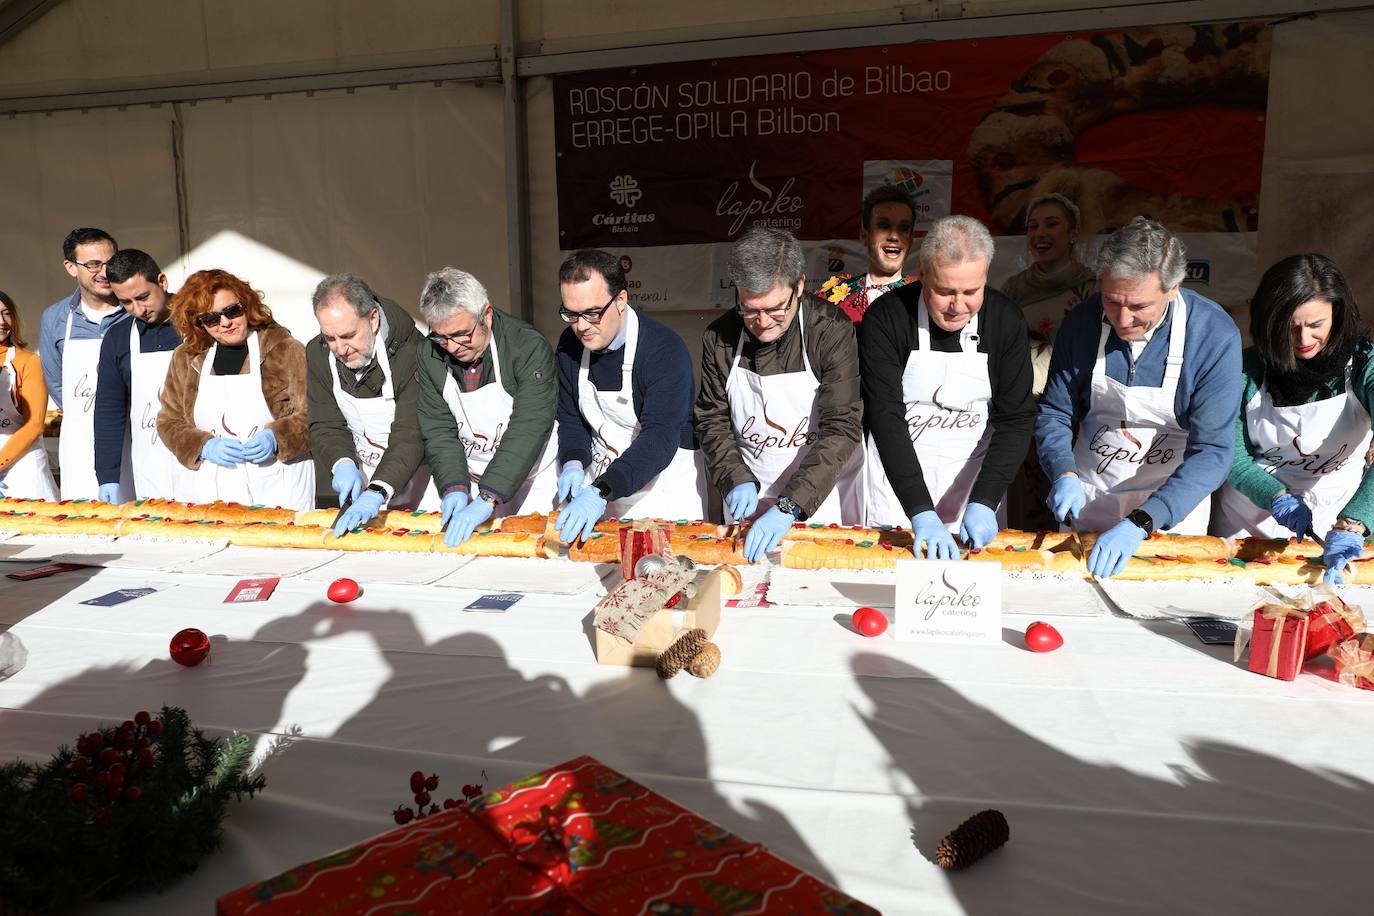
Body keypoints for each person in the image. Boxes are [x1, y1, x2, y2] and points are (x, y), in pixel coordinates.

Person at [1037, 216, 1242, 577]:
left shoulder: (1213, 335)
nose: (1123, 318)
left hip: (1171, 513)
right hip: (1091, 500)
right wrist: (1062, 472)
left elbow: (1213, 451)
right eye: (1112, 301)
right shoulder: (1082, 323)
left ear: (1173, 287)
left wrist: (1143, 521)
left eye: (1140, 306)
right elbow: (1054, 411)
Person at [860, 215, 1036, 558]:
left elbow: (1016, 418)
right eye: (944, 292)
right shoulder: (887, 318)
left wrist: (985, 499)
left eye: (972, 291)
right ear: (922, 273)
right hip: (897, 495)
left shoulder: (1005, 319)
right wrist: (919, 510)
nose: (958, 306)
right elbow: (885, 415)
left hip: (975, 485)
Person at [695, 228, 863, 562]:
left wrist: (790, 506)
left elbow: (842, 426)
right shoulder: (720, 338)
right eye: (749, 310)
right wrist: (734, 479)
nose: (762, 322)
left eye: (775, 309)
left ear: (799, 286)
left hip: (818, 494)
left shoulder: (829, 330)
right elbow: (711, 419)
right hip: (748, 493)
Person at [1214, 255, 1372, 583]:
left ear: (1338, 315)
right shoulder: (1244, 369)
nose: (1303, 340)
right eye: (1291, 326)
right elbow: (1231, 454)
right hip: (1247, 527)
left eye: (1316, 325)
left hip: (1338, 524)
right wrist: (1276, 496)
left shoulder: (1364, 365)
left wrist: (1355, 523)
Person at [553, 250, 706, 542]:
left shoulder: (664, 350)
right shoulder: (569, 346)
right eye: (571, 314)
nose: (581, 326)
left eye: (592, 313)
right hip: (600, 485)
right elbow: (571, 418)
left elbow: (659, 438)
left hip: (662, 490)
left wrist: (602, 490)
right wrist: (573, 461)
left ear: (621, 300)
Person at [415, 267, 558, 547]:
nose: (453, 347)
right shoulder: (429, 353)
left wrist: (488, 495)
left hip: (534, 473)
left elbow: (529, 425)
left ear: (487, 316)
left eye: (462, 334)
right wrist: (454, 486)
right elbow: (438, 428)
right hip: (472, 472)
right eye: (442, 337)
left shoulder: (526, 346)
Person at [156, 269, 314, 510]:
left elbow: (317, 412)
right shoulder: (187, 358)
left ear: (246, 304)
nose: (225, 322)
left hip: (278, 485)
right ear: (198, 323)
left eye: (232, 311)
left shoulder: (285, 350)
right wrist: (202, 446)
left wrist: (278, 437)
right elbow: (169, 420)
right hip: (211, 488)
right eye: (211, 319)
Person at [1000, 193, 1097, 533]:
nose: (1040, 233)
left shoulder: (1092, 290)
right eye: (1033, 226)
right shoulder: (1012, 289)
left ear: (1073, 234)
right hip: (1024, 411)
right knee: (1023, 512)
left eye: (1052, 225)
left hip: (1071, 413)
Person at [307, 274, 434, 535]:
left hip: (422, 480)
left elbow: (411, 433)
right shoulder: (318, 354)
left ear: (373, 319)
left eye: (348, 335)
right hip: (366, 474)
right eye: (330, 338)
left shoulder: (415, 353)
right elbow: (326, 422)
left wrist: (378, 490)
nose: (340, 349)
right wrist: (341, 462)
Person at [37, 228, 130, 498]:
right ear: (71, 267)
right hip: (81, 443)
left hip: (135, 437)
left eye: (109, 263)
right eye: (92, 264)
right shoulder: (55, 319)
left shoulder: (135, 311)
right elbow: (56, 384)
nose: (103, 272)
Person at [93, 249, 182, 504]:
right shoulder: (117, 338)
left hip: (204, 457)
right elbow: (109, 409)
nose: (138, 309)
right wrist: (107, 474)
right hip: (150, 461)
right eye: (126, 303)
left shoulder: (201, 324)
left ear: (162, 282)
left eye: (143, 297)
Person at [815, 184, 919, 325]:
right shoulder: (832, 296)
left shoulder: (924, 296)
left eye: (904, 228)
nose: (894, 236)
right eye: (883, 226)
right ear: (865, 235)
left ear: (911, 239)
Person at [0, 290, 58, 499]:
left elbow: (34, 425)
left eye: (6, 313)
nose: (2, 321)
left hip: (24, 464)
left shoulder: (29, 362)